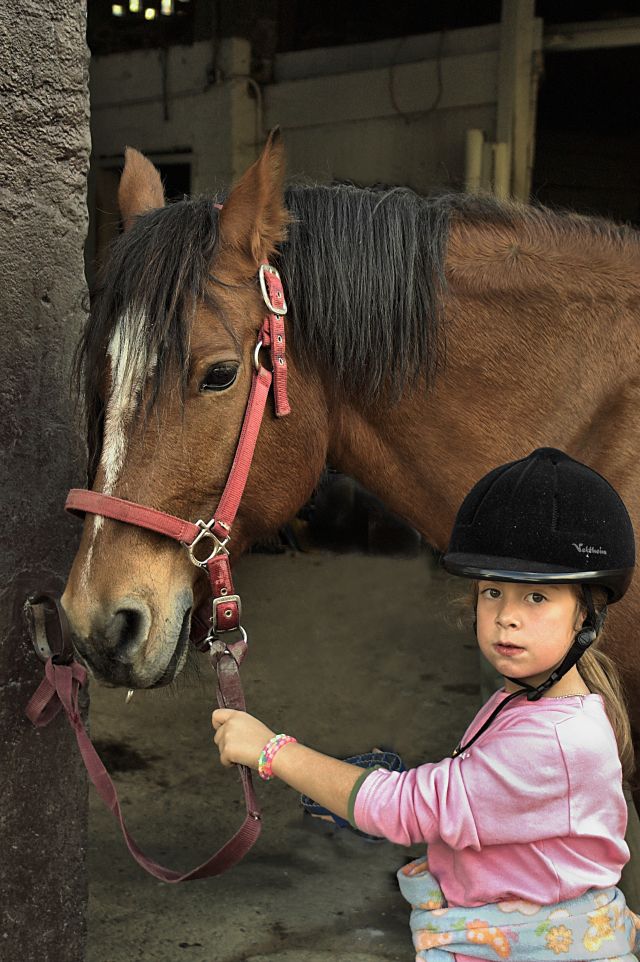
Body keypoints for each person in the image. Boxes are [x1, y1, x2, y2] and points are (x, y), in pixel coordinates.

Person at [212, 448, 640, 961]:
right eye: (492, 592)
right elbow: (466, 798)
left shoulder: (553, 739)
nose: (506, 616)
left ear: (586, 615)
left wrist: (271, 750)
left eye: (537, 598)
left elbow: (408, 809)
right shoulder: (528, 699)